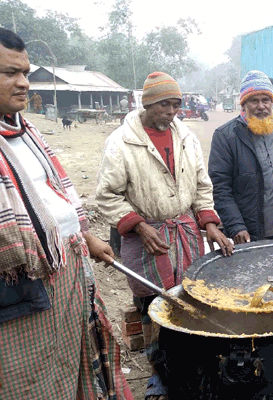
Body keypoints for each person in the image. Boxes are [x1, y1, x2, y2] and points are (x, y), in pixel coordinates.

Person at [0, 27, 132, 399]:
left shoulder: (25, 132)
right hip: (20, 292)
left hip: (68, 275)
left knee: (70, 363)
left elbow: (54, 194)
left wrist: (85, 236)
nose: (24, 83)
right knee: (27, 380)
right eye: (10, 73)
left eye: (26, 72)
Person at [96, 71, 233, 400]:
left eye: (175, 105)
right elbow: (107, 196)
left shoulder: (185, 137)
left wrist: (209, 223)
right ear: (147, 104)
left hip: (183, 232)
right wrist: (139, 226)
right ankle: (158, 373)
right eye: (164, 105)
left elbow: (202, 186)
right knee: (152, 304)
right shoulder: (121, 142)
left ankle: (190, 363)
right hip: (147, 235)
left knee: (187, 300)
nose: (171, 112)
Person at [209, 70, 273, 243]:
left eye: (266, 100)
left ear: (272, 102)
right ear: (244, 104)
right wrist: (236, 226)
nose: (261, 106)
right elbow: (221, 188)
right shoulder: (225, 136)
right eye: (254, 101)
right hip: (250, 231)